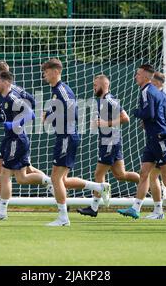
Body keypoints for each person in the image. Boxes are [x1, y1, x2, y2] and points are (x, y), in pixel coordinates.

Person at [42, 58, 110, 226]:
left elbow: (73, 114)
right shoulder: (56, 91)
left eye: (46, 71)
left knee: (56, 178)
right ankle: (99, 187)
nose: (44, 74)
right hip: (65, 136)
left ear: (56, 72)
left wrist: (50, 116)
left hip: (66, 136)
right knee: (62, 180)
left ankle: (63, 218)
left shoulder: (62, 90)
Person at [0, 70, 52, 220]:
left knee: (4, 174)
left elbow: (30, 114)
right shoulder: (2, 98)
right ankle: (50, 181)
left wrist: (12, 124)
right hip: (13, 138)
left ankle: (2, 212)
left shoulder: (13, 97)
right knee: (21, 178)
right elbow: (8, 116)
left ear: (7, 82)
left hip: (16, 139)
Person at [117, 65, 166, 220]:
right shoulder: (153, 92)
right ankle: (138, 208)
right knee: (145, 173)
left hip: (159, 138)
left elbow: (149, 114)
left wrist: (137, 112)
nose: (135, 76)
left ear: (145, 76)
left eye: (138, 74)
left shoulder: (147, 91)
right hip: (152, 139)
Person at [77, 74, 139, 217]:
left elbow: (126, 118)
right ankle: (145, 182)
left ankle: (93, 207)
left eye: (95, 85)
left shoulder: (109, 99)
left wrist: (106, 124)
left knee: (99, 174)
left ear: (104, 85)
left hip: (110, 141)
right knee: (120, 175)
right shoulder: (103, 100)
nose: (93, 87)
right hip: (111, 140)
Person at [145, 71, 166, 219]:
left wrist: (162, 133)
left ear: (158, 83)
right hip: (155, 142)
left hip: (165, 142)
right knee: (153, 176)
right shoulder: (152, 97)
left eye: (151, 82)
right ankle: (158, 211)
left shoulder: (164, 98)